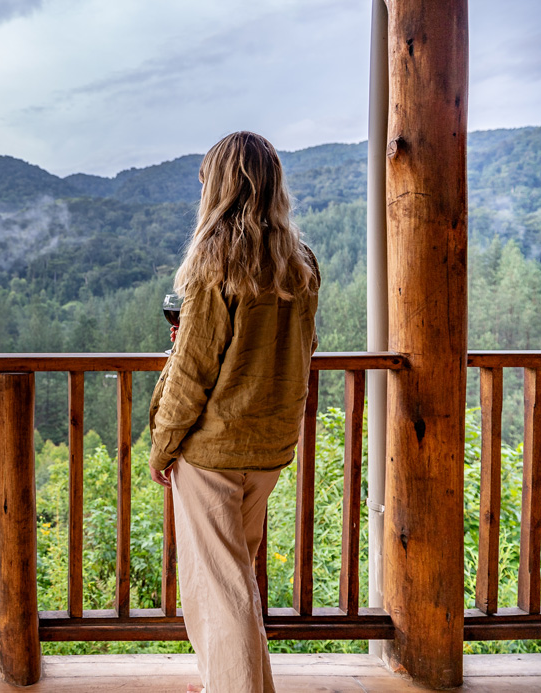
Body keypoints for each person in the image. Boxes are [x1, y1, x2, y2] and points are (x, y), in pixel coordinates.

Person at [148, 131, 320, 693]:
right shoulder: (299, 263)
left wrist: (163, 445)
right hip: (268, 448)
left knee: (220, 592)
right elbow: (302, 349)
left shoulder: (212, 265)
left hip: (213, 450)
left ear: (219, 188)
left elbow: (192, 372)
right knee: (235, 581)